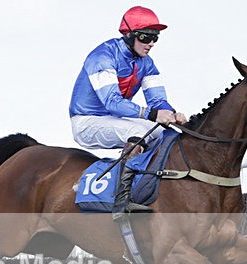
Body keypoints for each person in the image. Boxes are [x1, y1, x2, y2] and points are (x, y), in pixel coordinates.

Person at [69, 6, 187, 219]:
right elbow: (112, 102)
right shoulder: (102, 56)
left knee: (164, 133)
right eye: (146, 37)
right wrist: (153, 115)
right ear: (129, 35)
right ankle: (121, 200)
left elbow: (158, 100)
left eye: (155, 38)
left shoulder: (147, 63)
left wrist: (172, 113)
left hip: (114, 120)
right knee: (137, 129)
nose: (151, 43)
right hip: (86, 121)